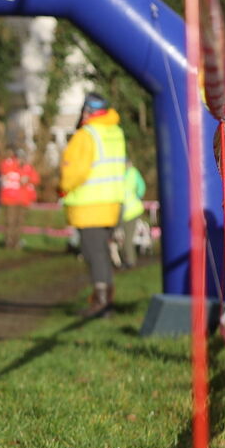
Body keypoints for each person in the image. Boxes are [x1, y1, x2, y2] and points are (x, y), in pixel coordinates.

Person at [61, 92, 127, 318]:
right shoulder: (115, 132)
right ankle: (106, 301)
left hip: (90, 206)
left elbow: (74, 171)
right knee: (103, 253)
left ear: (86, 111)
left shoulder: (85, 135)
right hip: (113, 203)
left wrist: (63, 185)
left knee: (93, 254)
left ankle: (101, 304)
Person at [0, 148, 39, 249]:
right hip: (10, 199)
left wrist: (28, 178)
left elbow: (36, 179)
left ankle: (16, 242)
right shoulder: (8, 164)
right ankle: (8, 242)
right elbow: (4, 173)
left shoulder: (27, 167)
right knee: (10, 221)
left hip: (23, 200)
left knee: (19, 222)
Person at [119, 157, 146, 269]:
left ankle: (130, 261)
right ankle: (127, 259)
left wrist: (137, 197)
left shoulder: (132, 173)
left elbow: (141, 188)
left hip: (131, 212)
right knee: (124, 238)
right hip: (125, 212)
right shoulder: (124, 174)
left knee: (127, 239)